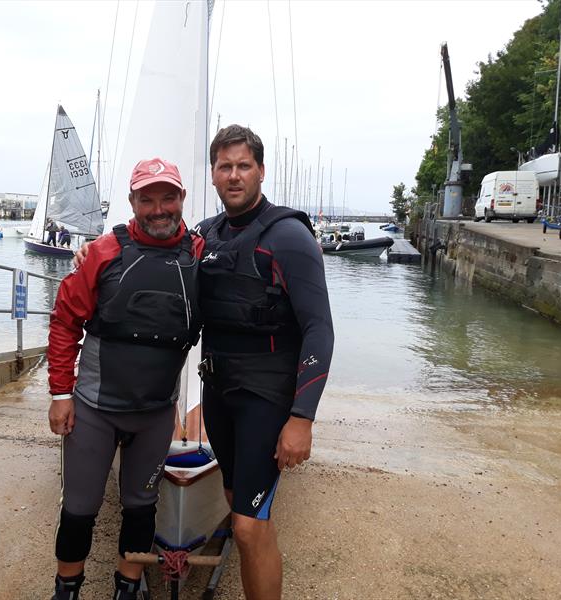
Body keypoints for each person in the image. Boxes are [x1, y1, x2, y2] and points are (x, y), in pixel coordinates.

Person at [47, 157, 205, 600]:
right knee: (79, 508)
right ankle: (67, 589)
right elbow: (64, 322)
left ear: (181, 200)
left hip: (154, 415)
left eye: (168, 197)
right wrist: (61, 393)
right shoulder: (101, 253)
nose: (159, 209)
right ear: (132, 202)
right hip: (95, 411)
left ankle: (128, 587)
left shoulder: (198, 255)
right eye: (147, 199)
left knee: (141, 507)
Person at [197, 124, 334, 600]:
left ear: (260, 171)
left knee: (249, 527)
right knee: (241, 507)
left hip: (267, 398)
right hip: (218, 393)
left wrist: (302, 418)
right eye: (224, 166)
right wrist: (96, 251)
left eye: (243, 166)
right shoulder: (206, 235)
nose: (234, 175)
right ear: (213, 174)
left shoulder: (288, 236)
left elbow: (319, 327)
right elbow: (155, 259)